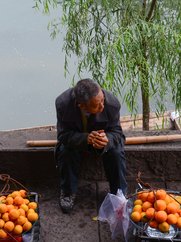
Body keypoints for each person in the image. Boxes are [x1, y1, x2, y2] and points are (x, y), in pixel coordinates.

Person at [54, 78, 127, 213]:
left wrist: (107, 140)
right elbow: (63, 136)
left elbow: (117, 133)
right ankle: (68, 191)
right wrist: (86, 138)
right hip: (77, 138)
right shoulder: (63, 104)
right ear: (81, 106)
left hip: (103, 139)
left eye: (102, 100)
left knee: (116, 153)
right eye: (97, 105)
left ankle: (119, 194)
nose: (102, 106)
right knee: (65, 152)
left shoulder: (112, 103)